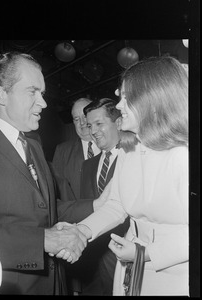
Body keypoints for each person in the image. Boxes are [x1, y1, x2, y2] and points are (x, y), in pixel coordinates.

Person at [0, 51, 103, 295]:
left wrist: (99, 205)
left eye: (42, 93)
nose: (43, 102)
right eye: (32, 91)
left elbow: (49, 208)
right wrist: (43, 240)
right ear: (1, 94)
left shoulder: (33, 143)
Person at [55, 56, 189, 296]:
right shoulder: (130, 149)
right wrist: (82, 231)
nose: (118, 106)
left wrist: (144, 253)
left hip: (175, 272)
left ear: (153, 100)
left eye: (126, 98)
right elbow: (116, 205)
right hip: (130, 268)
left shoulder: (185, 155)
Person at [67, 98, 129, 295]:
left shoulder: (132, 156)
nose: (92, 131)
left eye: (99, 124)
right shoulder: (88, 165)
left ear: (117, 122)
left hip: (121, 257)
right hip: (91, 261)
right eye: (89, 124)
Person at [52, 98, 101, 201]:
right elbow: (58, 194)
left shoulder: (113, 145)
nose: (82, 123)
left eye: (85, 116)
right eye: (76, 119)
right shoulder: (62, 151)